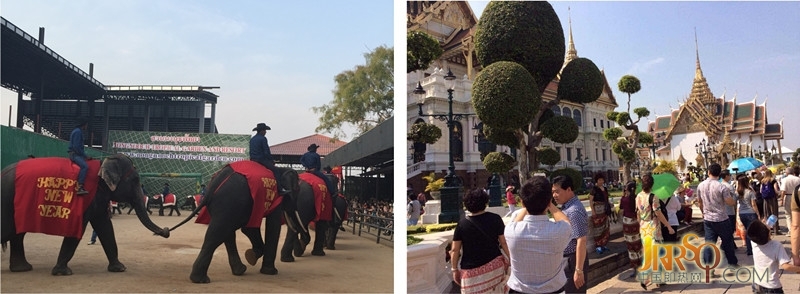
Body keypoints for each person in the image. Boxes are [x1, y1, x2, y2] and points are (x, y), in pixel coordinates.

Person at [506, 177, 571, 293]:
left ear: (522, 202)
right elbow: (566, 222)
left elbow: (516, 221)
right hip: (553, 290)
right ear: (548, 201)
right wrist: (549, 204)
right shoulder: (559, 232)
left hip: (519, 291)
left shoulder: (511, 231)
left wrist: (527, 205)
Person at [451, 189, 510, 294]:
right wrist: (511, 259)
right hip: (494, 266)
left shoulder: (462, 224)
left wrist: (454, 269)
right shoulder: (495, 218)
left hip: (470, 272)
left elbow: (455, 250)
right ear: (485, 202)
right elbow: (504, 242)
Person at [696, 163, 739, 269]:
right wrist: (734, 200)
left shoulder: (701, 185)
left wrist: (703, 212)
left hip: (708, 218)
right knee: (727, 242)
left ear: (708, 172)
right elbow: (729, 202)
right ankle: (732, 263)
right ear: (719, 174)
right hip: (721, 218)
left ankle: (708, 266)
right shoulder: (721, 187)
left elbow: (699, 201)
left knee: (709, 243)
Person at [636, 173, 674, 290]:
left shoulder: (638, 196)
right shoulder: (653, 197)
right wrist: (668, 226)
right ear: (652, 185)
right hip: (654, 227)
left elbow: (637, 213)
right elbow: (658, 213)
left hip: (643, 226)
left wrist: (640, 225)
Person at [552, 175, 588, 293]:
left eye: (557, 192)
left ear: (568, 189)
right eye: (553, 192)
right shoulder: (567, 208)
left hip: (573, 259)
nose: (554, 195)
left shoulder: (573, 211)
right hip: (568, 259)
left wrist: (578, 270)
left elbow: (581, 240)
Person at [747, 220, 800, 293]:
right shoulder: (776, 246)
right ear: (769, 233)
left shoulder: (754, 242)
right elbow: (785, 266)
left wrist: (765, 227)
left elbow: (758, 233)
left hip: (757, 283)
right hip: (772, 287)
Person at [249, 123, 290, 195]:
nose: (266, 132)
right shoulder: (263, 138)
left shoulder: (252, 139)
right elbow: (266, 152)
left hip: (252, 160)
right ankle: (279, 189)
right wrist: (271, 161)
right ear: (261, 131)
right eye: (265, 130)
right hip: (261, 160)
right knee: (276, 170)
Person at [619, 181, 643, 279]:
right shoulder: (637, 198)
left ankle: (635, 268)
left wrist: (623, 195)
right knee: (638, 244)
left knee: (631, 247)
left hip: (627, 224)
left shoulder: (624, 199)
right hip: (636, 223)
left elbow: (620, 208)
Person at [736, 174, 760, 256]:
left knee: (747, 231)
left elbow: (734, 202)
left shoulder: (738, 192)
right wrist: (758, 214)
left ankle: (749, 249)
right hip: (750, 213)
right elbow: (753, 204)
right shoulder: (750, 192)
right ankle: (754, 248)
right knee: (752, 232)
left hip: (742, 213)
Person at [589, 172, 611, 254]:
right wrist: (593, 211)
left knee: (605, 227)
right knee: (598, 228)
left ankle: (604, 244)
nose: (601, 181)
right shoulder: (594, 189)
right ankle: (598, 245)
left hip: (604, 210)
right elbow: (591, 201)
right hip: (597, 210)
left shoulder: (605, 188)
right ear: (596, 181)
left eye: (602, 180)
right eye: (599, 180)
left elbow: (606, 198)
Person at [68, 117, 91, 195]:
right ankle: (80, 187)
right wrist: (85, 156)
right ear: (83, 125)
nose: (86, 127)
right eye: (86, 125)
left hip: (76, 154)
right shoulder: (78, 132)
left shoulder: (77, 131)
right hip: (75, 154)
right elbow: (77, 147)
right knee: (85, 167)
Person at [720, 170, 738, 246]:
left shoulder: (720, 185)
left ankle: (731, 244)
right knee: (730, 229)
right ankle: (727, 244)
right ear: (726, 176)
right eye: (729, 175)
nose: (730, 176)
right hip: (729, 210)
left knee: (726, 229)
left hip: (723, 210)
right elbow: (734, 198)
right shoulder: (729, 186)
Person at [781, 166, 800, 237]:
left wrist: (782, 199)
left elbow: (783, 190)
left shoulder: (785, 180)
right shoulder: (798, 179)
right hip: (797, 195)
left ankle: (791, 231)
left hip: (788, 196)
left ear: (787, 173)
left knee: (788, 215)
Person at [762, 169, 782, 235]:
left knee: (767, 214)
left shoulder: (763, 181)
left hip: (765, 199)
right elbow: (776, 189)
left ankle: (768, 230)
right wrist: (779, 193)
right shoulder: (773, 180)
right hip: (772, 199)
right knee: (774, 214)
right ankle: (776, 230)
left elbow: (760, 191)